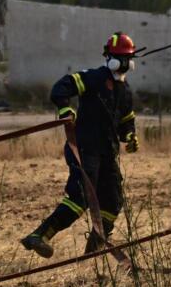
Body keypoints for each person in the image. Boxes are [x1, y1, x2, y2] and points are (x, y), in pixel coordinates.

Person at [20, 32, 140, 258]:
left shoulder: (125, 91)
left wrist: (131, 136)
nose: (125, 63)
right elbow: (61, 87)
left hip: (108, 154)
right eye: (121, 58)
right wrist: (65, 108)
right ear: (110, 58)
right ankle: (39, 236)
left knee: (113, 202)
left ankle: (94, 249)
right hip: (85, 149)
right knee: (81, 197)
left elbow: (126, 121)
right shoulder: (93, 78)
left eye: (128, 58)